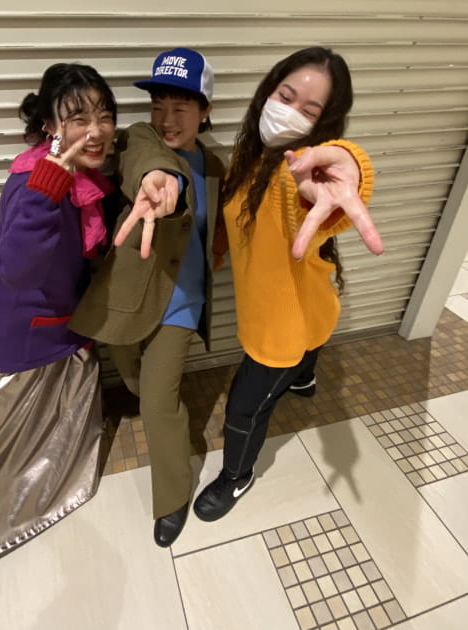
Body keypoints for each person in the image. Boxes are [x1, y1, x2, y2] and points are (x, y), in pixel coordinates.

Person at [0, 63, 117, 612]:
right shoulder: (36, 181)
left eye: (104, 114)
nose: (95, 130)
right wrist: (49, 185)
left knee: (55, 430)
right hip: (8, 336)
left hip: (55, 332)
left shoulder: (87, 178)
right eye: (78, 117)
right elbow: (17, 268)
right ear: (50, 127)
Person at [191, 46, 383, 522]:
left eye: (310, 110)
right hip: (309, 304)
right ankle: (304, 377)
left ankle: (237, 476)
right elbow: (234, 209)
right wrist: (218, 249)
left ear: (325, 123)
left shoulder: (300, 174)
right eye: (286, 96)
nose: (290, 112)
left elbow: (337, 178)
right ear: (268, 91)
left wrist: (351, 162)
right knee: (307, 350)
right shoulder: (250, 153)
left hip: (284, 325)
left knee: (243, 410)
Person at [69, 48, 226, 547]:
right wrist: (160, 180)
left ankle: (172, 496)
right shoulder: (141, 138)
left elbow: (222, 220)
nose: (166, 119)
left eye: (180, 108)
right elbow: (147, 162)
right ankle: (151, 391)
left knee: (158, 403)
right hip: (130, 294)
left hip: (183, 301)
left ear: (206, 111)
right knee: (132, 374)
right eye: (159, 105)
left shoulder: (216, 164)